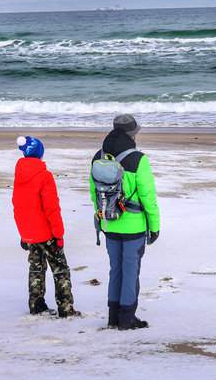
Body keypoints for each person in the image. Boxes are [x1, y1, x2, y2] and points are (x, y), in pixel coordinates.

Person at [90, 115, 161, 330]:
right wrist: (155, 226)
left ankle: (113, 317)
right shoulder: (139, 159)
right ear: (132, 134)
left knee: (115, 270)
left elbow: (95, 193)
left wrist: (102, 216)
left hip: (110, 223)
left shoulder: (98, 156)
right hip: (134, 226)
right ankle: (127, 318)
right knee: (130, 272)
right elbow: (148, 197)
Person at [12, 135, 80, 318]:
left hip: (30, 233)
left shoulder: (19, 176)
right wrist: (58, 235)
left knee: (36, 268)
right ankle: (66, 309)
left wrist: (23, 234)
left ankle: (36, 304)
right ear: (40, 154)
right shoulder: (44, 176)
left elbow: (18, 206)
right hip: (47, 233)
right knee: (60, 269)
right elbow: (52, 208)